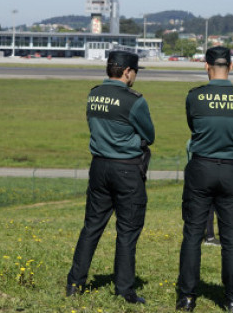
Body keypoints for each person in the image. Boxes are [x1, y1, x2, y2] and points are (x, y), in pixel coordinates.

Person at [66, 50, 155, 304]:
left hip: (98, 167)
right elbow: (149, 134)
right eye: (135, 72)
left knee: (92, 226)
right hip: (127, 169)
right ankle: (124, 290)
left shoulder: (94, 94)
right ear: (127, 71)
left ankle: (75, 283)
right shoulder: (134, 100)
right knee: (127, 230)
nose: (135, 77)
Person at [176, 46, 233, 313]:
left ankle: (186, 297)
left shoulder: (195, 97)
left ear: (206, 66)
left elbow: (192, 126)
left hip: (202, 167)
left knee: (193, 234)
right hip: (232, 170)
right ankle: (232, 300)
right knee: (231, 238)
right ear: (231, 67)